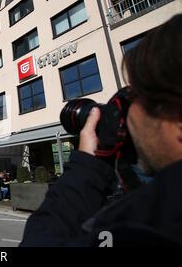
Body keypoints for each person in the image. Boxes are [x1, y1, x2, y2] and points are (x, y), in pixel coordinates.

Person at [20, 14, 182, 247]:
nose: (126, 113)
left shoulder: (144, 227)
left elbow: (39, 241)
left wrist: (86, 163)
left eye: (135, 96)